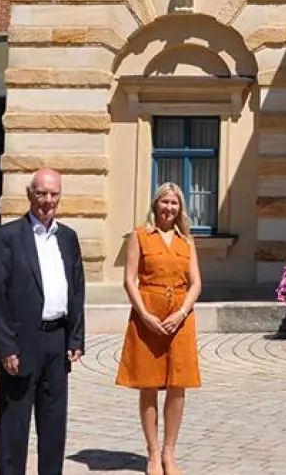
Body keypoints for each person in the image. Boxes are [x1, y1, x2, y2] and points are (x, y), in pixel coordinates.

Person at [0, 168, 87, 475]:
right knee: (15, 425)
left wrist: (76, 338)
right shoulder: (8, 237)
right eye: (41, 193)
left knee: (54, 423)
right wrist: (7, 347)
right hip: (21, 342)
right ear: (29, 195)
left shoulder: (68, 237)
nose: (47, 200)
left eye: (53, 194)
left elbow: (77, 289)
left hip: (57, 340)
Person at [116, 183, 203, 475]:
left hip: (180, 318)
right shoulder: (140, 236)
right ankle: (152, 454)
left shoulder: (187, 241)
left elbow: (196, 284)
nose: (169, 208)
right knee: (149, 385)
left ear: (180, 209)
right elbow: (129, 280)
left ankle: (169, 454)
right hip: (148, 316)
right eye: (164, 202)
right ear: (155, 205)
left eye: (174, 203)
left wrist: (181, 313)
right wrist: (144, 315)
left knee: (178, 387)